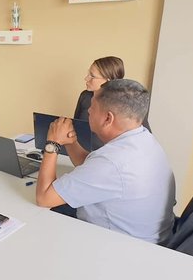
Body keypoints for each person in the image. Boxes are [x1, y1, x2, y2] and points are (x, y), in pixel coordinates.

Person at [35, 79, 175, 244]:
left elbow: (44, 198)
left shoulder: (111, 162)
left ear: (108, 118)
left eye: (93, 106)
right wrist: (70, 142)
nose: (88, 110)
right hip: (150, 237)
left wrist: (53, 144)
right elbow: (92, 167)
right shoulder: (143, 138)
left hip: (117, 246)